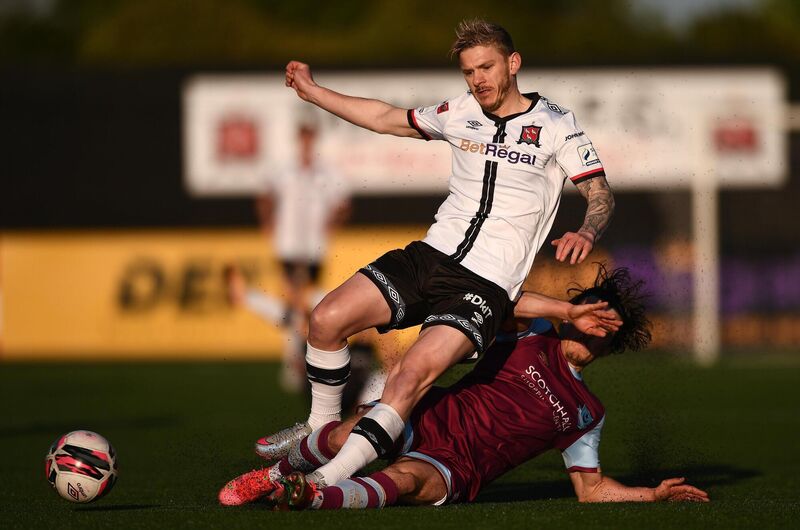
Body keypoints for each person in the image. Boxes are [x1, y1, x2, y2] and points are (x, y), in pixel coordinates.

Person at [257, 18, 616, 491]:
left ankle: (324, 479)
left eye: (486, 67)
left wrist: (588, 230)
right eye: (469, 71)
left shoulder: (555, 124)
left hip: (486, 285)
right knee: (325, 320)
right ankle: (321, 429)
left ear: (513, 64)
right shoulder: (459, 110)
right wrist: (313, 91)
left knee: (407, 377)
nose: (478, 79)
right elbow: (386, 119)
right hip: (428, 258)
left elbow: (600, 193)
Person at [220, 266, 710, 508]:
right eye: (593, 311)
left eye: (608, 321)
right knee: (350, 431)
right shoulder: (533, 335)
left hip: (458, 467)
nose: (596, 323)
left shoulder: (587, 411)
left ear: (614, 337)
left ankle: (306, 495)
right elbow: (501, 300)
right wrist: (562, 310)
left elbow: (591, 488)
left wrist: (649, 495)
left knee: (404, 483)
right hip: (431, 416)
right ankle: (283, 466)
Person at [226, 122, 352, 392]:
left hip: (314, 247)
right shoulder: (284, 169)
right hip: (288, 245)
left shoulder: (326, 172)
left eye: (310, 138)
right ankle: (298, 363)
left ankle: (300, 361)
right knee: (297, 305)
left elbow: (343, 203)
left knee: (305, 306)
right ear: (299, 140)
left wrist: (332, 224)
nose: (307, 143)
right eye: (303, 138)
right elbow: (264, 195)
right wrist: (267, 221)